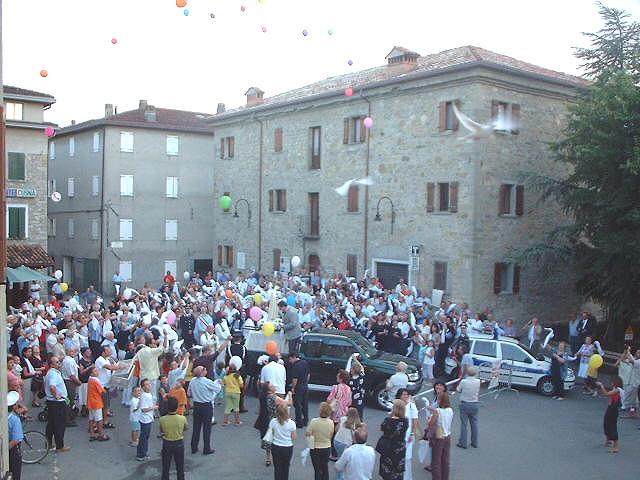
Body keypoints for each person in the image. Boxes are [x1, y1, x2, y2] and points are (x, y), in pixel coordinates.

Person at [187, 365, 220, 455]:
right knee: (207, 428)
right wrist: (218, 383)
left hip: (197, 405)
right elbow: (217, 389)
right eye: (204, 369)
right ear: (202, 372)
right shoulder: (207, 381)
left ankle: (194, 447)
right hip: (206, 406)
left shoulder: (192, 381)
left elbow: (189, 393)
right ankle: (206, 448)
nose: (206, 370)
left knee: (196, 428)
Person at [44, 356, 71, 452]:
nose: (59, 363)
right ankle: (60, 445)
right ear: (51, 364)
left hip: (53, 402)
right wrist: (56, 395)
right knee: (59, 424)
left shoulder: (53, 373)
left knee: (51, 423)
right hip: (57, 403)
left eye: (59, 362)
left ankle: (48, 443)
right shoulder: (53, 374)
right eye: (57, 362)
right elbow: (52, 386)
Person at [378, 399, 408, 480]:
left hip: (389, 448)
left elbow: (382, 428)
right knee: (398, 471)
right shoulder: (405, 421)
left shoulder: (388, 420)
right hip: (400, 448)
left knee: (388, 471)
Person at [159, 396, 188, 480]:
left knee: (165, 467)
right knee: (180, 467)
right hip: (179, 443)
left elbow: (161, 430)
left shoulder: (162, 419)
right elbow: (185, 428)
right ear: (177, 406)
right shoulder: (182, 418)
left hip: (167, 443)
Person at [427, 392, 454, 480]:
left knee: (436, 462)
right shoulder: (450, 410)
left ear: (440, 400)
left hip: (439, 437)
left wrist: (430, 417)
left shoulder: (437, 411)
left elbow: (431, 423)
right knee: (445, 460)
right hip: (447, 436)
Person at [306, 402, 335, 480]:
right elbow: (331, 435)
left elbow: (308, 433)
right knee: (325, 467)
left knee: (317, 469)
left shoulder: (314, 421)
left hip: (315, 448)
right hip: (327, 447)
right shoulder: (331, 422)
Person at [269, 403, 297, 480]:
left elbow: (271, 434)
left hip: (276, 446)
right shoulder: (291, 423)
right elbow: (294, 437)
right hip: (287, 447)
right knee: (285, 467)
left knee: (277, 468)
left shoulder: (273, 421)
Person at [396, 389, 420, 480]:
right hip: (397, 436)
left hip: (408, 435)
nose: (406, 396)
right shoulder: (396, 405)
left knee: (406, 458)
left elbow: (415, 421)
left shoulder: (411, 406)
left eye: (407, 395)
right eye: (404, 395)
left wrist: (412, 434)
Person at [334, 407, 362, 480]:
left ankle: (339, 476)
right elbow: (355, 437)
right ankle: (343, 477)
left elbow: (336, 429)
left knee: (340, 458)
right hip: (346, 444)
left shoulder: (343, 419)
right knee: (345, 461)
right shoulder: (356, 424)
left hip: (337, 441)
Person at [456, 366, 480, 449]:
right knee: (474, 424)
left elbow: (458, 390)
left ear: (467, 373)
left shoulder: (464, 381)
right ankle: (475, 442)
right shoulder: (478, 381)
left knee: (464, 424)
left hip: (465, 403)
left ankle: (463, 443)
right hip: (474, 404)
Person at [597, 376, 623, 453]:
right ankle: (608, 440)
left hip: (613, 410)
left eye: (612, 382)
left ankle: (616, 446)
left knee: (611, 425)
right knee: (606, 423)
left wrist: (601, 386)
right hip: (611, 408)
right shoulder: (615, 389)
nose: (611, 383)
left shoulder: (617, 390)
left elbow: (606, 394)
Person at [136, 377, 159, 461]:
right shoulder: (145, 396)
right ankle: (141, 454)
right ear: (143, 387)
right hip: (145, 419)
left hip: (148, 418)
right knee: (144, 438)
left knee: (145, 437)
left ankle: (143, 452)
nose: (149, 385)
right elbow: (143, 409)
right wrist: (154, 408)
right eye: (147, 384)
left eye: (149, 384)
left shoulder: (148, 394)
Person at [289, 351, 310, 427]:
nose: (290, 361)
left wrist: (293, 388)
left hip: (299, 386)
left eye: (290, 359)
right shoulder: (305, 363)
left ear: (294, 357)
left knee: (297, 405)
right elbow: (308, 375)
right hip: (305, 385)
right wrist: (305, 382)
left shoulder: (296, 366)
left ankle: (299, 422)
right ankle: (305, 420)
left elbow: (295, 379)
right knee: (305, 404)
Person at [87, 367, 108, 441]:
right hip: (97, 402)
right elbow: (102, 391)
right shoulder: (95, 381)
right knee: (99, 419)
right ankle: (101, 434)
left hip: (91, 402)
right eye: (95, 371)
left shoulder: (90, 380)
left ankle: (92, 434)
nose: (97, 372)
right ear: (92, 373)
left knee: (91, 418)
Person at [7, 391, 24, 480]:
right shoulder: (14, 419)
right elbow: (15, 440)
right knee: (15, 474)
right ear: (14, 406)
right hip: (12, 451)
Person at [347, 353, 366, 421]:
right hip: (360, 399)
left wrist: (354, 359)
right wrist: (356, 360)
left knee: (351, 414)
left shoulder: (350, 380)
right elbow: (362, 368)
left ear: (353, 370)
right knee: (359, 413)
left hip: (352, 400)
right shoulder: (362, 376)